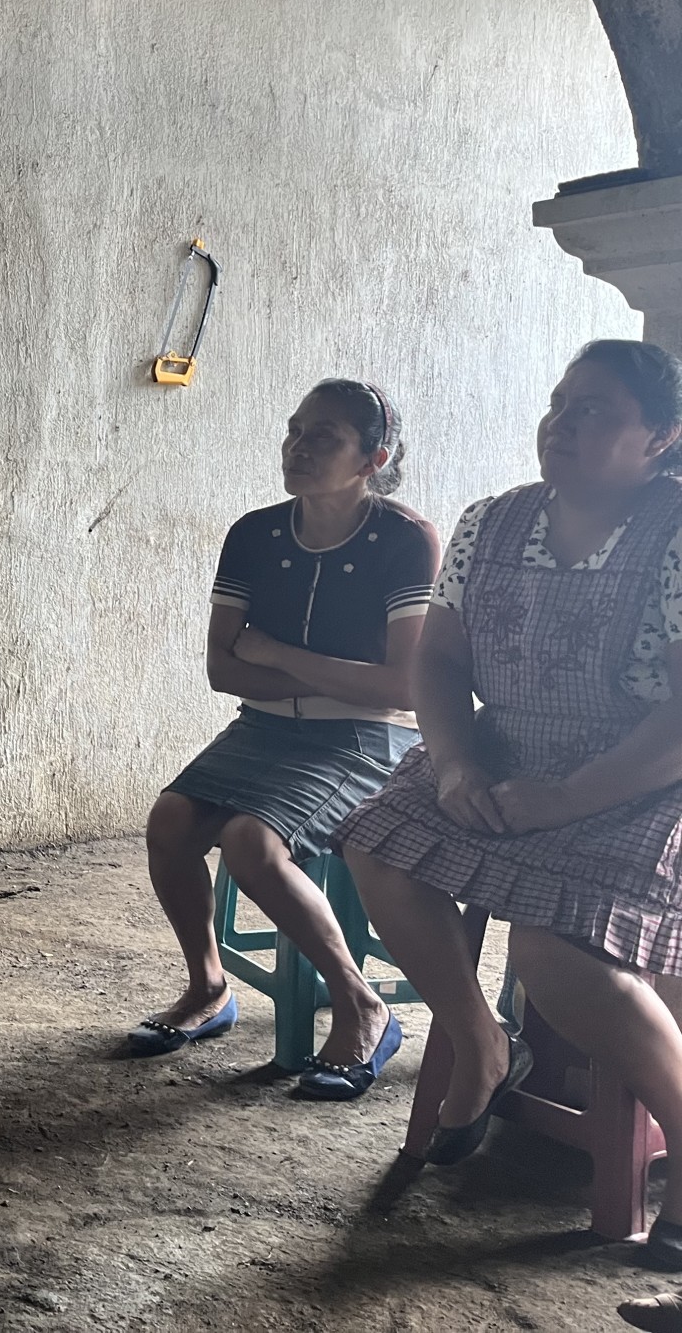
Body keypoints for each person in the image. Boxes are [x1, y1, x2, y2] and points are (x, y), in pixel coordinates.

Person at [329, 342, 682, 1325]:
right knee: (375, 842)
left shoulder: (674, 531)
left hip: (640, 785)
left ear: (660, 438)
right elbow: (436, 662)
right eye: (558, 404)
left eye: (594, 414)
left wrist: (566, 799)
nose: (560, 427)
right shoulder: (492, 522)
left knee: (553, 954)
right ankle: (480, 1044)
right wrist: (451, 764)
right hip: (502, 760)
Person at [131, 380, 438, 1099]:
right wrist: (317, 676)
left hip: (366, 741)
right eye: (294, 430)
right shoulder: (255, 533)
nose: (298, 448)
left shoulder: (403, 540)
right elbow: (222, 669)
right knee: (170, 821)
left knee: (250, 842)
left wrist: (277, 654)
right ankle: (208, 987)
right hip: (265, 729)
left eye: (323, 437)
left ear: (373, 458)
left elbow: (400, 690)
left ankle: (361, 1004)